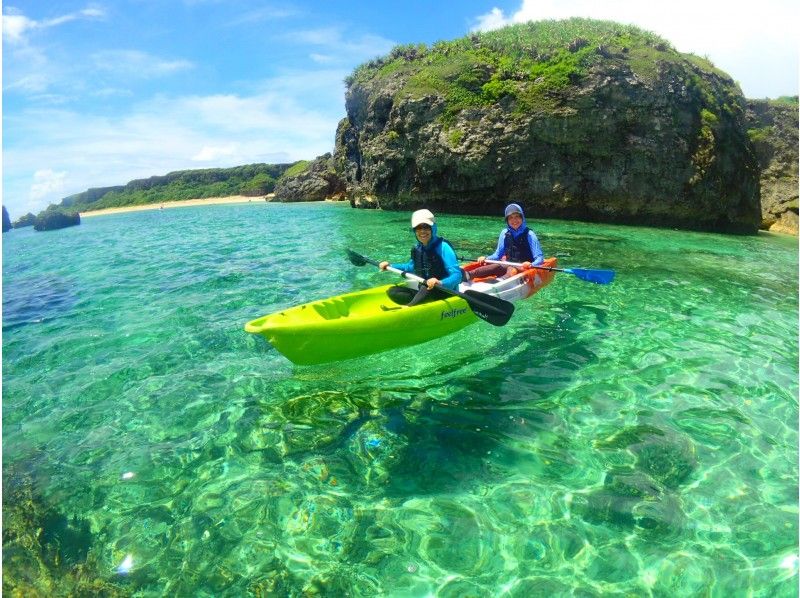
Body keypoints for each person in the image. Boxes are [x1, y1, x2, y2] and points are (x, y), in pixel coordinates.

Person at [379, 209, 462, 306]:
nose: (422, 231)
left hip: (444, 292)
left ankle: (409, 308)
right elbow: (410, 267)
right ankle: (416, 303)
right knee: (392, 292)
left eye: (426, 227)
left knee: (425, 287)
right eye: (418, 228)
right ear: (415, 230)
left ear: (433, 228)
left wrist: (440, 282)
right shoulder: (417, 248)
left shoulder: (444, 248)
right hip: (424, 289)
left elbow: (457, 275)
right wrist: (390, 266)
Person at [463, 203, 544, 281]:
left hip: (523, 267)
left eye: (517, 217)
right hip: (507, 264)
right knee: (496, 266)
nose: (514, 220)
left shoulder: (530, 234)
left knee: (512, 269)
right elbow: (497, 255)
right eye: (510, 218)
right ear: (507, 220)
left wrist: (531, 264)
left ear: (522, 218)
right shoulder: (504, 233)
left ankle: (499, 282)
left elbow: (540, 258)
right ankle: (468, 275)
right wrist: (485, 258)